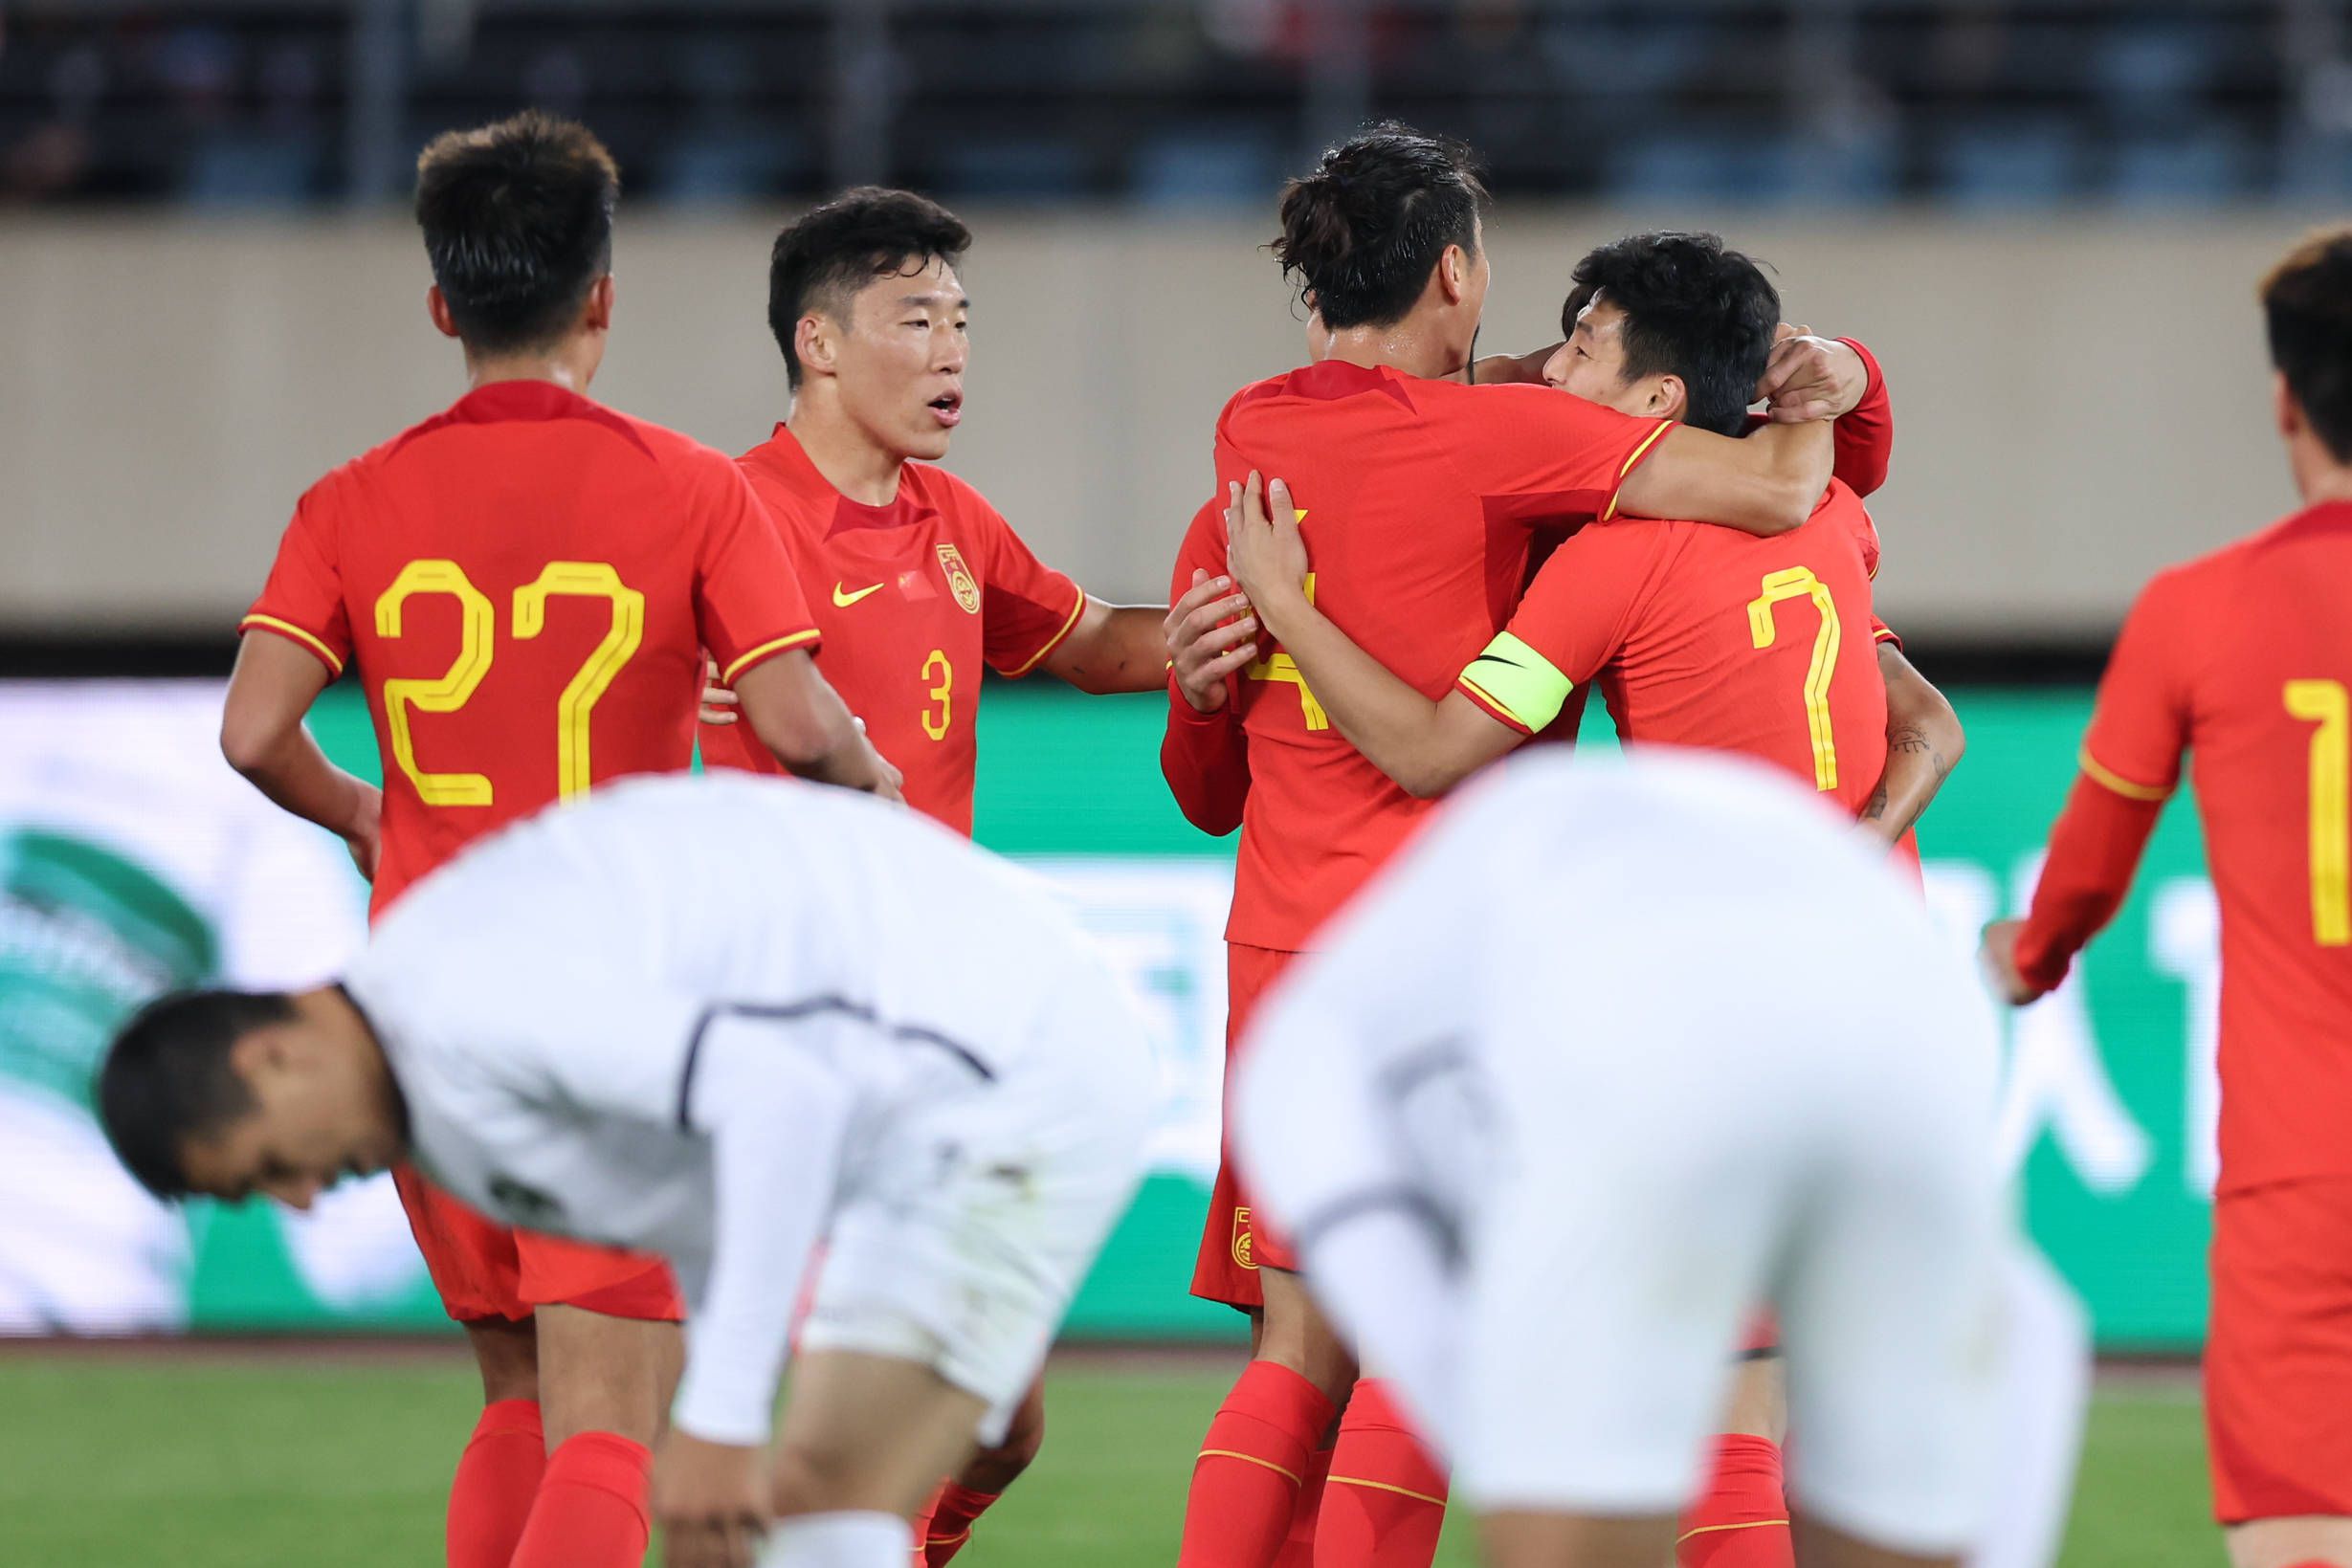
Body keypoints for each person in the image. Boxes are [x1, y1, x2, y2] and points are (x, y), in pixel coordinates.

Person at [1161, 129, 1880, 1568]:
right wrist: (1828, 386)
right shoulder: (1530, 452)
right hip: (1453, 952)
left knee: (1298, 1354)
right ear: (1454, 269)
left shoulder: (1248, 445)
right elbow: (1774, 492)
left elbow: (1201, 790)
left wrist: (1204, 673)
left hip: (1279, 946)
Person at [218, 111, 897, 1568]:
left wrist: (364, 812)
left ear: (441, 303)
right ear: (602, 293)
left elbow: (253, 731)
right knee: (613, 1417)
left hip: (417, 1003)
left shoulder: (353, 497)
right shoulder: (692, 485)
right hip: (606, 1002)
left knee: (515, 1384)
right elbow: (790, 718)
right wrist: (872, 793)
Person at [94, 773, 1155, 1568]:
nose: (303, 1197)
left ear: (272, 1055)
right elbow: (706, 1199)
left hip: (1007, 1060)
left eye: (271, 1163)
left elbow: (779, 1099)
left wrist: (723, 1416)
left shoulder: (467, 1002)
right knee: (817, 1516)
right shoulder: (436, 1086)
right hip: (930, 1093)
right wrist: (718, 1410)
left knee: (825, 1497)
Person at [695, 185, 1170, 1562]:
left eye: (962, 321)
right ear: (820, 343)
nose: (953, 350)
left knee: (1002, 1422)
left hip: (930, 1021)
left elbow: (1096, 647)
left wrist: (1256, 616)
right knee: (819, 1420)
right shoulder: (728, 514)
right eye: (916, 318)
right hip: (784, 1025)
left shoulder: (951, 520)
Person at [1235, 746, 2010, 1568]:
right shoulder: (1434, 980)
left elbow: (1429, 1354)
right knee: (1874, 1508)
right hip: (1909, 1005)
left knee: (1588, 1504)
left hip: (1674, 1033)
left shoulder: (1317, 1073)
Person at [1982, 229, 2352, 1568]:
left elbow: (2080, 872)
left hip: (2301, 1170)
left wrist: (2022, 954)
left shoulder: (2199, 609)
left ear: (2281, 397)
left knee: (2300, 1542)